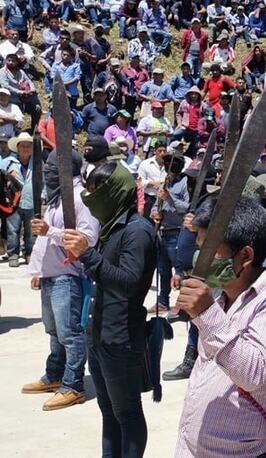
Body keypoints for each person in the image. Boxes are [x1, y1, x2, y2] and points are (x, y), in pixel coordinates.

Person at [173, 197, 266, 458]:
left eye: (210, 251)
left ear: (245, 256)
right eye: (199, 248)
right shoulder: (222, 297)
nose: (200, 259)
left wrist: (207, 314)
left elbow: (253, 374)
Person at [62, 161, 157, 458]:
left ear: (114, 192)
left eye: (95, 191)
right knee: (108, 412)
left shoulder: (137, 232)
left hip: (121, 337)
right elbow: (104, 276)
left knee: (127, 414)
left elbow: (128, 283)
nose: (90, 198)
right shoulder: (111, 228)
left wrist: (88, 255)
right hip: (99, 333)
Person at [22, 151, 100, 410]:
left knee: (70, 333)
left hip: (68, 276)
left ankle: (73, 384)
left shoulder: (80, 199)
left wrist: (51, 231)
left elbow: (88, 238)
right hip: (51, 275)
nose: (46, 172)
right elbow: (44, 239)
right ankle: (55, 374)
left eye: (51, 167)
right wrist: (38, 270)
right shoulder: (57, 198)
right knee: (54, 332)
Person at [4, 131, 35, 266]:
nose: (26, 148)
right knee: (12, 229)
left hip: (32, 200)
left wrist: (44, 194)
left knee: (31, 230)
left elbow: (43, 180)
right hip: (12, 202)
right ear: (17, 148)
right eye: (23, 146)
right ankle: (13, 254)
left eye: (28, 146)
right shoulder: (7, 163)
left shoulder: (37, 163)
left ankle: (29, 253)